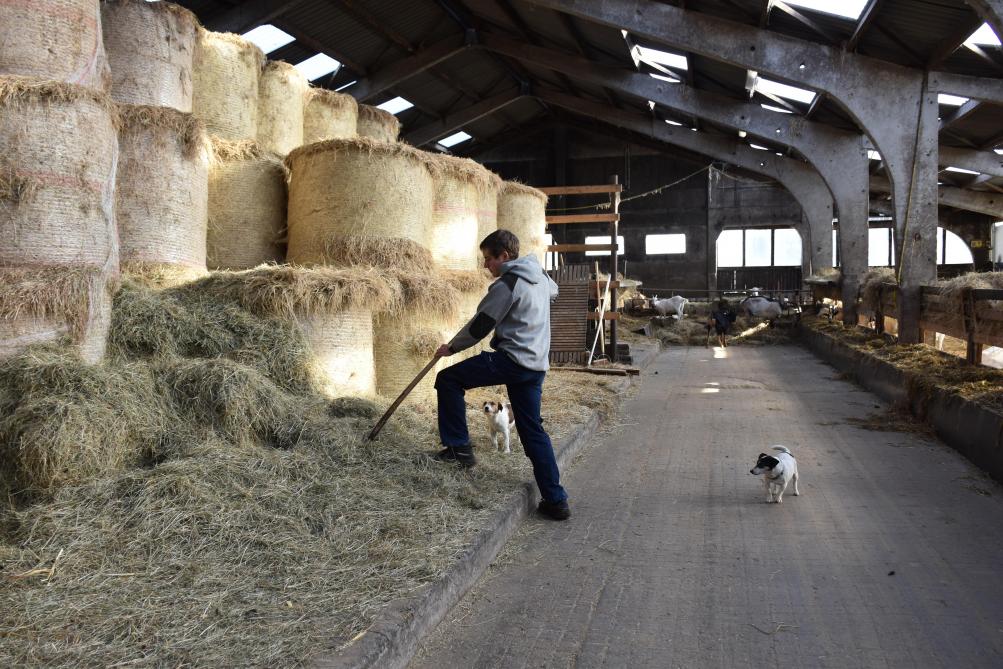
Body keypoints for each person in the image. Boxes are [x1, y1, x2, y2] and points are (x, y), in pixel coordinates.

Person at [432, 229, 570, 521]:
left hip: (512, 360)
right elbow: (555, 292)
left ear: (504, 257)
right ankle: (556, 500)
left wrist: (452, 347)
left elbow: (480, 326)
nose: (485, 266)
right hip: (535, 366)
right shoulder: (542, 278)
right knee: (533, 431)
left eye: (488, 259)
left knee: (448, 379)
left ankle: (459, 449)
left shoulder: (508, 284)